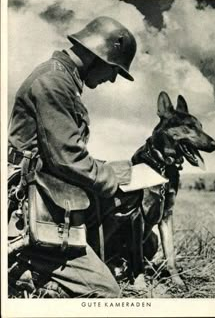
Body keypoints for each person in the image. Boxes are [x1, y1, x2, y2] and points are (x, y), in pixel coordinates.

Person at [8, 16, 141, 298]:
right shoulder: (53, 82)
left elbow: (59, 151)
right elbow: (66, 158)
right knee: (107, 295)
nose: (113, 78)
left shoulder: (63, 80)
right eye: (114, 68)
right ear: (97, 55)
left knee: (118, 202)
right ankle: (28, 273)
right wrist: (110, 176)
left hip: (50, 193)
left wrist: (106, 170)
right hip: (35, 204)